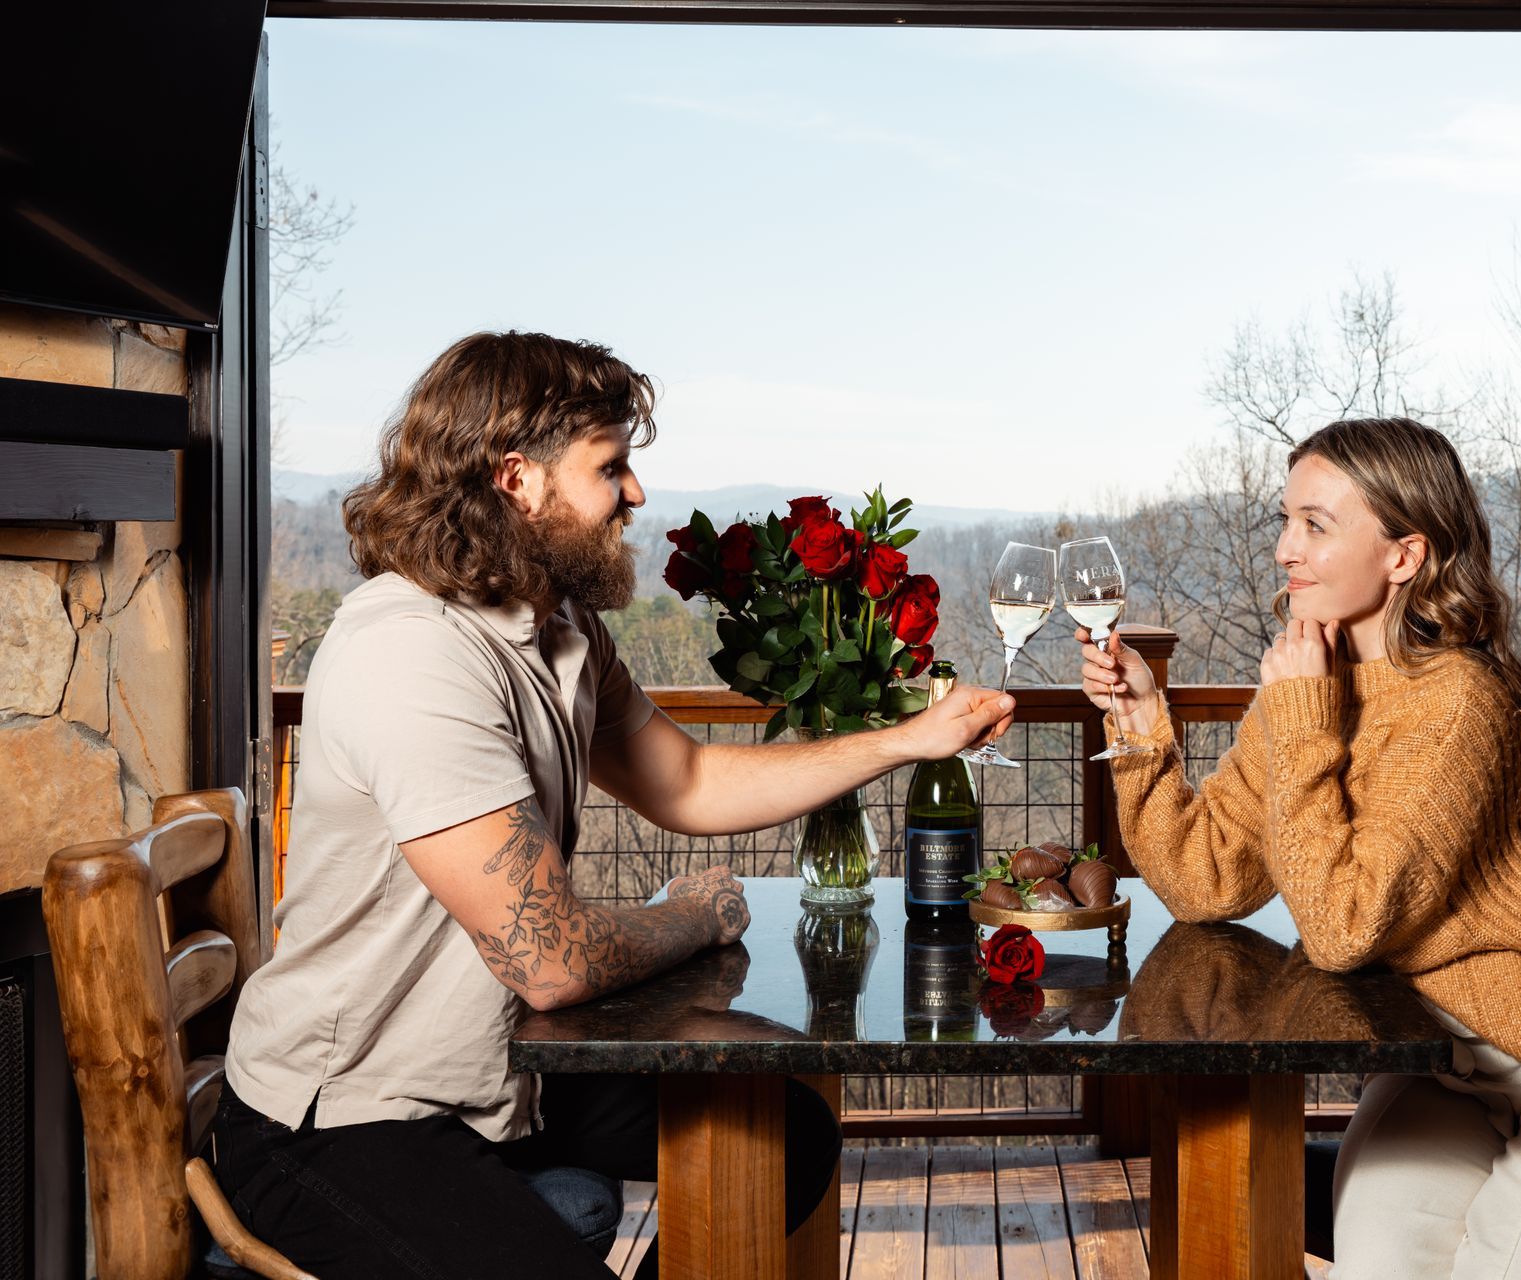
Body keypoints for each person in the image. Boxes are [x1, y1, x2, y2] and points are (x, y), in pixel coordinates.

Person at [215, 331, 1014, 1279]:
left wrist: (906, 741)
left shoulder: (557, 624)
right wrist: (686, 917)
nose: (634, 494)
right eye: (611, 467)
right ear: (517, 479)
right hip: (343, 1115)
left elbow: (686, 781)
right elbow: (549, 962)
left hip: (501, 1074)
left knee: (787, 1131)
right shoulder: (413, 652)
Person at [1075, 417, 1521, 1280]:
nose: (1286, 550)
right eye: (1284, 521)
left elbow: (1343, 929)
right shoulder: (1311, 683)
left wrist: (1300, 719)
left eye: (1317, 526)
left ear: (1404, 556)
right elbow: (1202, 880)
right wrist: (1143, 726)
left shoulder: (1458, 702)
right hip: (1439, 1075)